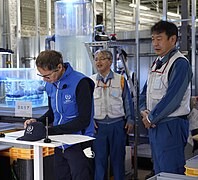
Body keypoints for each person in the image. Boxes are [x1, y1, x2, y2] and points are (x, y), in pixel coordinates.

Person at [24, 50, 95, 180]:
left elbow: (83, 120)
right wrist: (37, 122)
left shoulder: (81, 82)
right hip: (59, 143)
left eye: (47, 76)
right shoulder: (50, 84)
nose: (45, 80)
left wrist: (51, 131)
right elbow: (52, 113)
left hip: (79, 142)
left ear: (59, 67)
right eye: (42, 76)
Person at [139, 20, 192, 175]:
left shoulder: (180, 63)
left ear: (172, 39)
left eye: (159, 38)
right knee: (159, 170)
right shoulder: (156, 63)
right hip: (155, 126)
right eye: (153, 39)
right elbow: (144, 93)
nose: (155, 43)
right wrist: (144, 112)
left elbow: (173, 98)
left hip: (171, 127)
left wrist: (151, 119)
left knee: (171, 172)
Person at [91, 49, 134, 180]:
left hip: (117, 125)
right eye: (96, 59)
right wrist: (89, 121)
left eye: (102, 58)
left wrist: (130, 119)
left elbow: (128, 101)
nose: (98, 62)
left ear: (110, 61)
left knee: (118, 160)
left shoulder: (120, 80)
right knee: (99, 161)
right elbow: (86, 104)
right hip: (98, 127)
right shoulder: (90, 81)